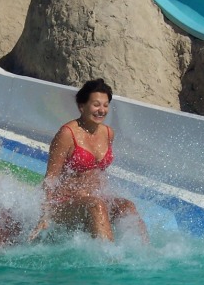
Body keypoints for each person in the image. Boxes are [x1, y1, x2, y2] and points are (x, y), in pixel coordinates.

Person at [29, 78, 147, 242]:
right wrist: (44, 215)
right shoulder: (67, 134)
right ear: (82, 106)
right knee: (95, 206)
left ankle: (145, 252)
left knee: (127, 206)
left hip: (94, 199)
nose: (102, 110)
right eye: (96, 105)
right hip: (64, 204)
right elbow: (50, 178)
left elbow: (97, 172)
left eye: (105, 105)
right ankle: (109, 255)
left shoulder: (108, 133)